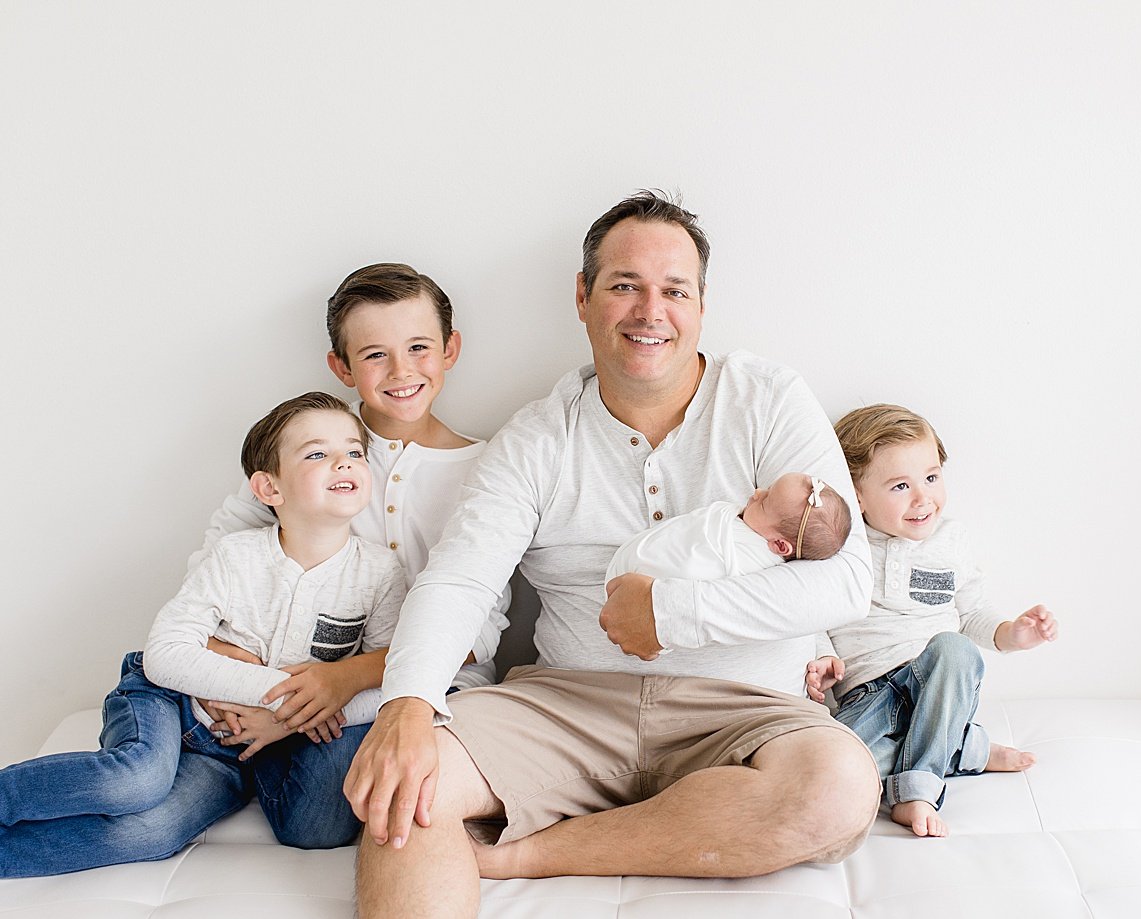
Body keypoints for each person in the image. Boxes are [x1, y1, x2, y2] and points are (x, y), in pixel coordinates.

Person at [345, 190, 883, 919]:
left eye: (674, 290)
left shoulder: (768, 400)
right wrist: (408, 704)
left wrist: (673, 612)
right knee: (409, 786)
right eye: (625, 285)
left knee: (839, 787)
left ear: (700, 304)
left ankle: (526, 853)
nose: (649, 311)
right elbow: (462, 579)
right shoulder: (536, 437)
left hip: (750, 712)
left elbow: (848, 580)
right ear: (583, 296)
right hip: (566, 704)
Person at [0, 392, 404, 877]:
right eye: (317, 453)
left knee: (156, 831)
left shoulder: (380, 572)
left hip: (241, 754)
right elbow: (166, 654)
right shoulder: (235, 556)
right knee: (136, 782)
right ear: (269, 488)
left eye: (354, 451)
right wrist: (285, 700)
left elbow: (388, 675)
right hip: (172, 703)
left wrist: (288, 721)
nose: (343, 461)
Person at [194, 263, 509, 692]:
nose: (401, 371)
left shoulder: (490, 469)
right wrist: (250, 678)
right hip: (293, 682)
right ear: (342, 368)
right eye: (375, 354)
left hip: (444, 688)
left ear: (449, 349)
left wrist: (346, 678)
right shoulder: (308, 449)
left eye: (418, 347)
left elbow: (481, 625)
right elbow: (218, 557)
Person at [805, 403, 1059, 838]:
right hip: (869, 695)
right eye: (900, 485)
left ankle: (917, 790)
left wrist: (1014, 634)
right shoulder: (841, 545)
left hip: (937, 686)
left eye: (932, 477)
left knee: (954, 647)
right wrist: (823, 656)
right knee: (827, 761)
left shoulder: (950, 541)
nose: (923, 498)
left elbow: (973, 613)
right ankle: (964, 748)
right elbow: (813, 612)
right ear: (857, 495)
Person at [606, 473, 852, 585]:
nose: (757, 493)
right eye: (766, 489)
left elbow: (694, 573)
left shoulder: (748, 561)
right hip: (629, 566)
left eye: (764, 502)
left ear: (778, 545)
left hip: (645, 576)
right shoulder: (751, 524)